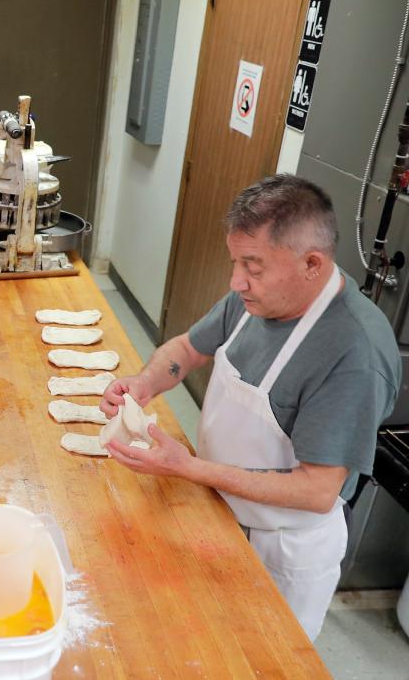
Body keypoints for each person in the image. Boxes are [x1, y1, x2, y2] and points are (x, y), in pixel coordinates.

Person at [100, 174, 401, 640]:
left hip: (280, 550)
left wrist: (189, 468)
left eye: (253, 267)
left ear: (312, 265)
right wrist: (143, 384)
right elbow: (187, 348)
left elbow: (317, 490)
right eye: (236, 262)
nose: (236, 280)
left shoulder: (352, 356)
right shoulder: (256, 299)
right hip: (218, 515)